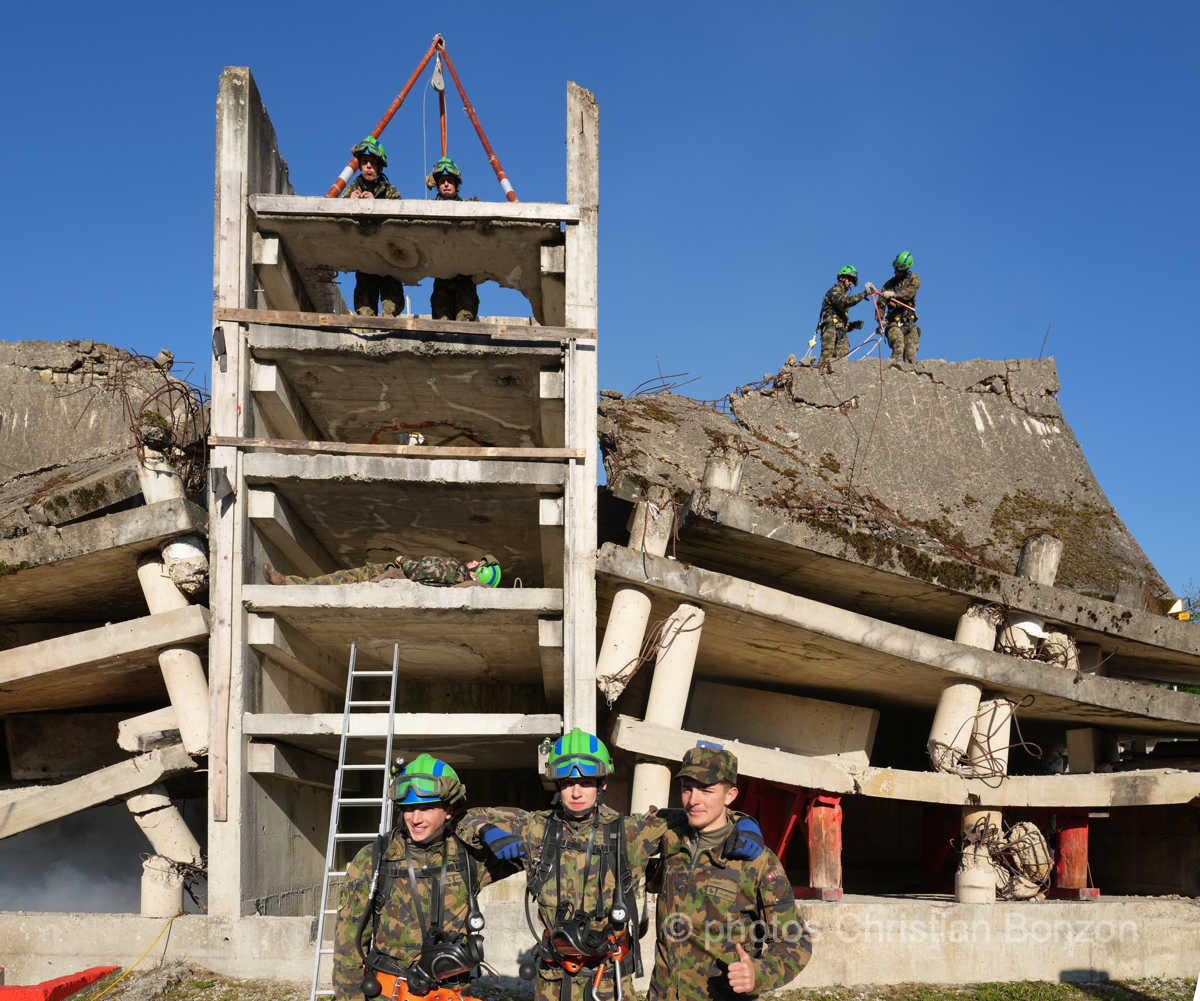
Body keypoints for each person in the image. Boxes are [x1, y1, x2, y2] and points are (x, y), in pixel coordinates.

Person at [461, 729, 766, 1001]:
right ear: (557, 785)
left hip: (609, 978)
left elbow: (696, 813)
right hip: (553, 979)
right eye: (568, 783)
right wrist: (488, 830)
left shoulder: (630, 832)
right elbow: (468, 816)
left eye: (586, 782)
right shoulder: (537, 828)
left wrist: (742, 821)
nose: (576, 792)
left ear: (602, 783)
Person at [332, 755, 522, 1001]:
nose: (415, 818)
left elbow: (537, 832)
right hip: (389, 993)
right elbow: (348, 947)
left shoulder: (469, 856)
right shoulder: (375, 858)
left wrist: (476, 824)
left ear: (449, 811)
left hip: (451, 993)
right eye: (409, 808)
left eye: (427, 808)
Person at [647, 747, 810, 1001]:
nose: (693, 800)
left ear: (730, 795)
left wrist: (759, 973)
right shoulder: (672, 841)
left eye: (707, 790)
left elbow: (796, 943)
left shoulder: (756, 860)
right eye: (687, 788)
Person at [342, 136, 405, 317]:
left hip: (388, 260)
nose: (368, 167)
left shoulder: (390, 191)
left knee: (390, 312)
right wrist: (348, 202)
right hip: (365, 259)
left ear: (380, 167)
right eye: (364, 163)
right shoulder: (351, 189)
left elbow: (399, 219)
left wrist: (376, 203)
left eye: (372, 163)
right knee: (365, 313)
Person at [427, 157, 481, 322]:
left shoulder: (469, 207)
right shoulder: (428, 210)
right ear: (437, 185)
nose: (445, 184)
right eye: (442, 181)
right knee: (441, 323)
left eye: (450, 181)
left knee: (465, 321)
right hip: (442, 275)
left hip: (465, 276)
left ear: (457, 185)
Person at [263, 554, 501, 588]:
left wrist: (403, 559)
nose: (473, 560)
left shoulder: (453, 571)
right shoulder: (455, 572)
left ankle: (285, 583)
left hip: (390, 574)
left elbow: (420, 571)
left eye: (478, 564)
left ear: (476, 574)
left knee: (335, 580)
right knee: (336, 578)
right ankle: (289, 582)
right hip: (387, 573)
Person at [816, 267, 877, 369]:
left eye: (851, 280)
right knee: (826, 358)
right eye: (848, 279)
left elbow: (843, 321)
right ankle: (818, 380)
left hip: (841, 332)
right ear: (841, 278)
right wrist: (864, 294)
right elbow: (844, 301)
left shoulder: (843, 294)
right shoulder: (834, 291)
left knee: (841, 363)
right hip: (830, 328)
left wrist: (852, 325)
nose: (850, 282)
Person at [877, 251, 921, 363]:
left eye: (900, 269)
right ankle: (892, 374)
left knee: (911, 357)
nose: (897, 272)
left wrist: (895, 295)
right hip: (893, 323)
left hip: (909, 323)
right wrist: (880, 320)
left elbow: (911, 292)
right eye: (896, 269)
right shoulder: (888, 285)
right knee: (898, 347)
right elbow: (880, 305)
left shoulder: (914, 278)